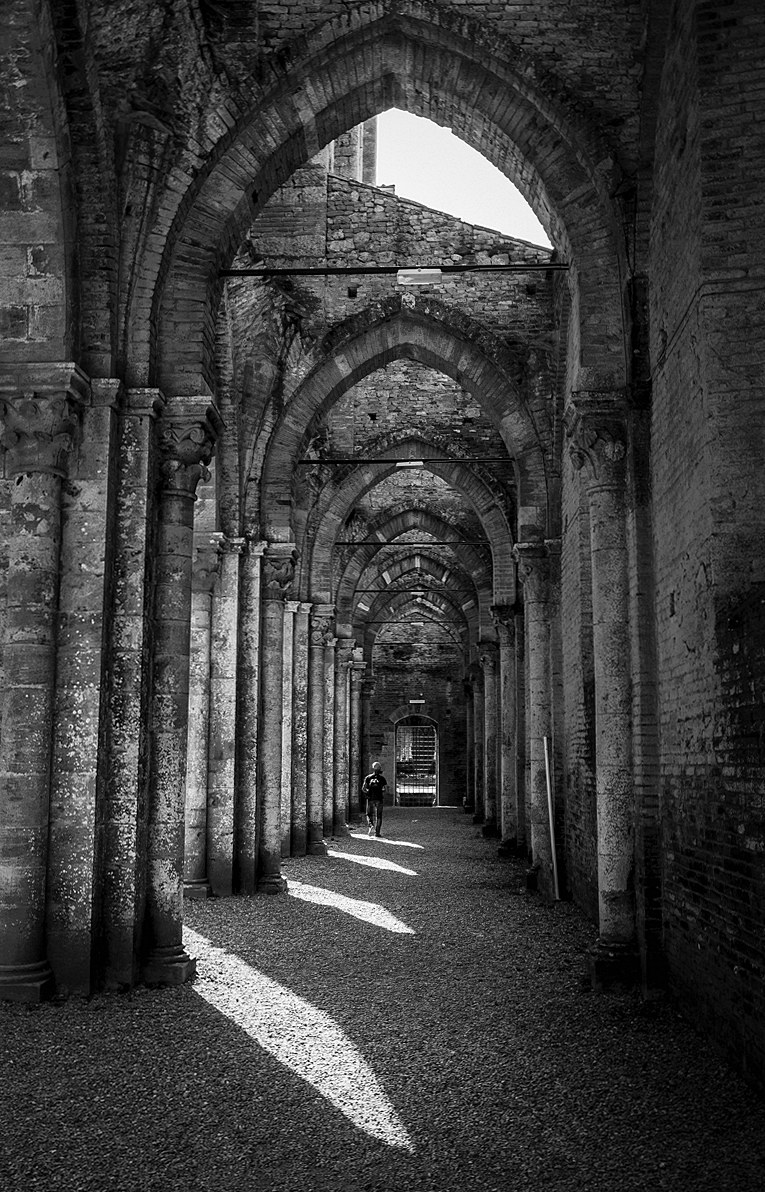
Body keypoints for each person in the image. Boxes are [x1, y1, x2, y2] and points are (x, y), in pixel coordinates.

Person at [361, 761, 388, 837]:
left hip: (370, 798)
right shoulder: (382, 779)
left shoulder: (368, 777)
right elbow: (385, 789)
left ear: (373, 768)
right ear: (380, 769)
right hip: (379, 798)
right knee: (379, 816)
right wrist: (382, 794)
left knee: (369, 814)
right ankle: (377, 832)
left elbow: (363, 788)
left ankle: (371, 825)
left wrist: (367, 793)